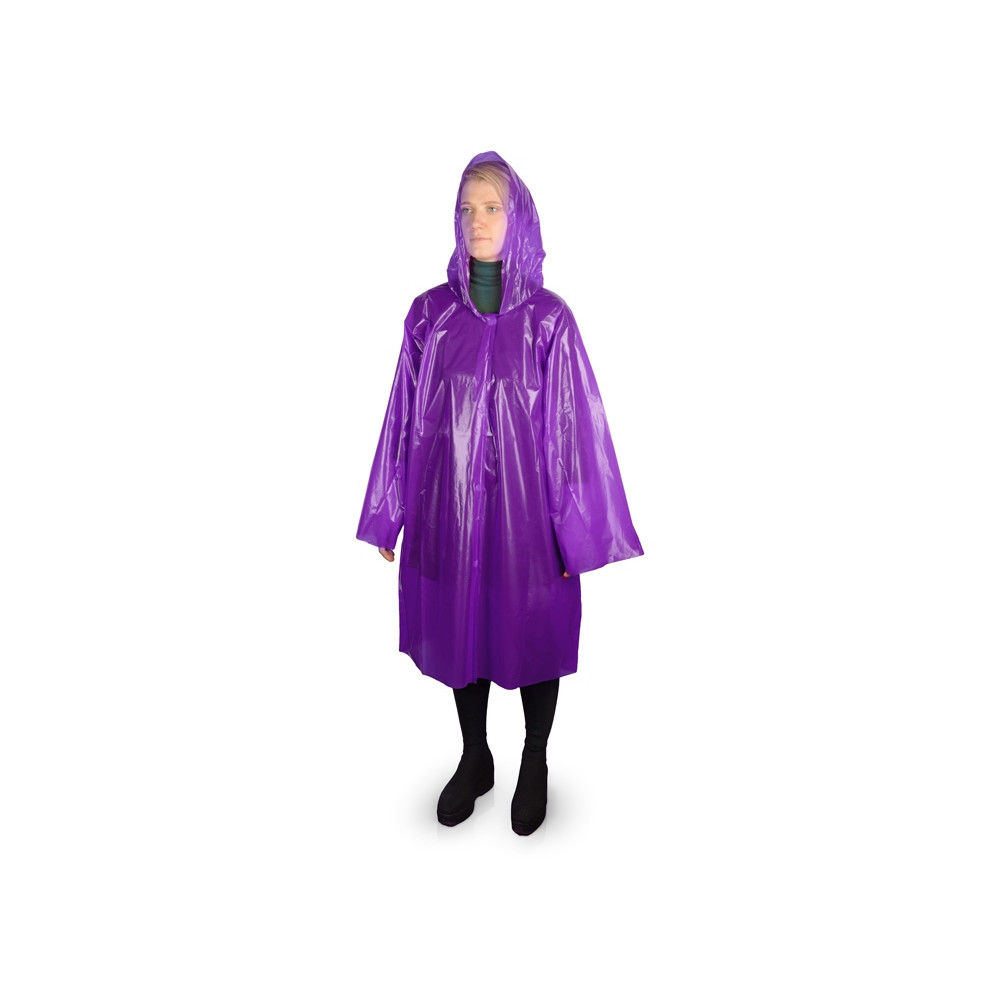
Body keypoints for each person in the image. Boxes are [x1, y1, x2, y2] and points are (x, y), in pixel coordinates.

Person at [357, 152, 642, 835]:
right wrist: (389, 514)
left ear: (520, 219)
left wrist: (577, 535)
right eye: (467, 209)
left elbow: (573, 430)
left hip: (528, 522)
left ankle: (534, 758)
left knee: (532, 629)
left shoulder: (549, 321)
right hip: (448, 514)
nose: (477, 221)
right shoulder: (429, 317)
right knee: (462, 630)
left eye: (492, 208)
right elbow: (403, 416)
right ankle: (476, 756)